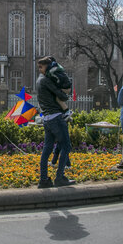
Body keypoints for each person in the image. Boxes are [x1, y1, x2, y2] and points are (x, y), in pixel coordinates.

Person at [36, 56, 74, 188]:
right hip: (56, 117)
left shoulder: (39, 80)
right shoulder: (46, 80)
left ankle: (44, 179)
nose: (40, 69)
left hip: (47, 119)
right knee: (66, 146)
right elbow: (62, 96)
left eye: (41, 66)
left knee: (47, 149)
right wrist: (65, 93)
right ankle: (59, 178)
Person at [44, 56, 73, 121]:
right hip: (66, 86)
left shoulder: (53, 71)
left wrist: (57, 86)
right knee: (57, 98)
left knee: (58, 99)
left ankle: (67, 112)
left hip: (65, 87)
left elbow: (58, 79)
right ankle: (65, 113)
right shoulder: (56, 68)